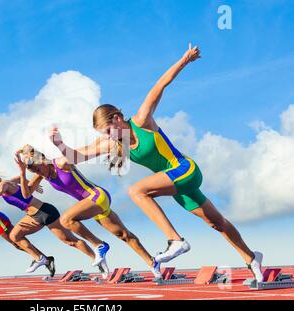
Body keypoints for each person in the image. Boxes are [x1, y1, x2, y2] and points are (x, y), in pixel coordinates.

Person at [49, 43, 263, 281]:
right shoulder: (113, 144)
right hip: (178, 186)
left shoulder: (141, 121)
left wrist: (185, 60)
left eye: (108, 130)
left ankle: (176, 240)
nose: (108, 136)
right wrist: (59, 144)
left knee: (137, 191)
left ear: (118, 118)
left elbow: (161, 85)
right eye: (104, 134)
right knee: (217, 223)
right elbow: (78, 155)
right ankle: (252, 258)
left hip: (186, 170)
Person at [14, 144, 162, 279]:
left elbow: (80, 154)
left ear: (42, 160)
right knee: (123, 235)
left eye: (36, 168)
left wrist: (106, 147)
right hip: (92, 205)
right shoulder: (41, 175)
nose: (36, 172)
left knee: (66, 220)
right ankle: (152, 263)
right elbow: (26, 195)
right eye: (32, 170)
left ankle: (99, 245)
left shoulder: (61, 163)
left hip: (97, 196)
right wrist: (22, 173)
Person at [0, 172, 109, 277]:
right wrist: (31, 186)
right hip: (33, 216)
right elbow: (20, 178)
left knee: (71, 241)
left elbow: (0, 190)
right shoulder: (8, 183)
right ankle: (41, 258)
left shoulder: (3, 185)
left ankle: (98, 260)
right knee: (14, 235)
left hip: (45, 212)